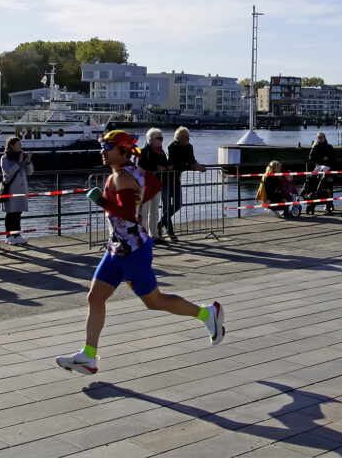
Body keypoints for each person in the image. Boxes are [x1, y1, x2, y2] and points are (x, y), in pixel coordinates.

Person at [56, 130, 224, 375]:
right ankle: (88, 357)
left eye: (107, 147)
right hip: (118, 248)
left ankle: (208, 314)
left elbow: (124, 212)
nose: (102, 151)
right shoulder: (134, 171)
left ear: (122, 150)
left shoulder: (121, 176)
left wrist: (101, 201)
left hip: (133, 250)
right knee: (95, 298)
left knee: (154, 301)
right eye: (102, 147)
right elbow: (154, 185)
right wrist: (136, 203)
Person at [161, 126, 206, 242]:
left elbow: (191, 161)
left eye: (188, 136)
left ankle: (160, 224)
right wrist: (190, 166)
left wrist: (197, 166)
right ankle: (170, 232)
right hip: (165, 180)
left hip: (177, 178)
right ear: (179, 138)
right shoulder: (171, 147)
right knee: (166, 207)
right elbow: (173, 164)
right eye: (186, 137)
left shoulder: (189, 147)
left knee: (178, 204)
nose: (188, 139)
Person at [0, 136, 33, 245]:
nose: (21, 146)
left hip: (21, 189)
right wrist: (18, 162)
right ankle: (9, 236)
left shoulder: (21, 157)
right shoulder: (5, 158)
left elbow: (29, 172)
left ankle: (17, 234)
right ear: (12, 146)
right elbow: (8, 173)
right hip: (11, 189)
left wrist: (28, 161)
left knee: (18, 213)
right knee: (11, 213)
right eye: (18, 144)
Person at [137, 128, 169, 244]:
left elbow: (165, 164)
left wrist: (165, 168)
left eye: (162, 138)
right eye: (159, 138)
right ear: (151, 140)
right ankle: (144, 235)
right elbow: (140, 167)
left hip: (157, 185)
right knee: (144, 211)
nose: (161, 141)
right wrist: (156, 168)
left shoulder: (161, 152)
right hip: (145, 186)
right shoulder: (143, 152)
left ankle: (154, 235)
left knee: (155, 211)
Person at [307, 131, 336, 214]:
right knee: (316, 187)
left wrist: (328, 160)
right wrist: (321, 159)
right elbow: (311, 158)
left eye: (322, 137)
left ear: (324, 137)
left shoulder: (329, 147)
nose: (320, 138)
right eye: (319, 137)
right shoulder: (315, 147)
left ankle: (329, 204)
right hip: (319, 169)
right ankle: (314, 204)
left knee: (329, 187)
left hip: (329, 169)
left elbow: (334, 158)